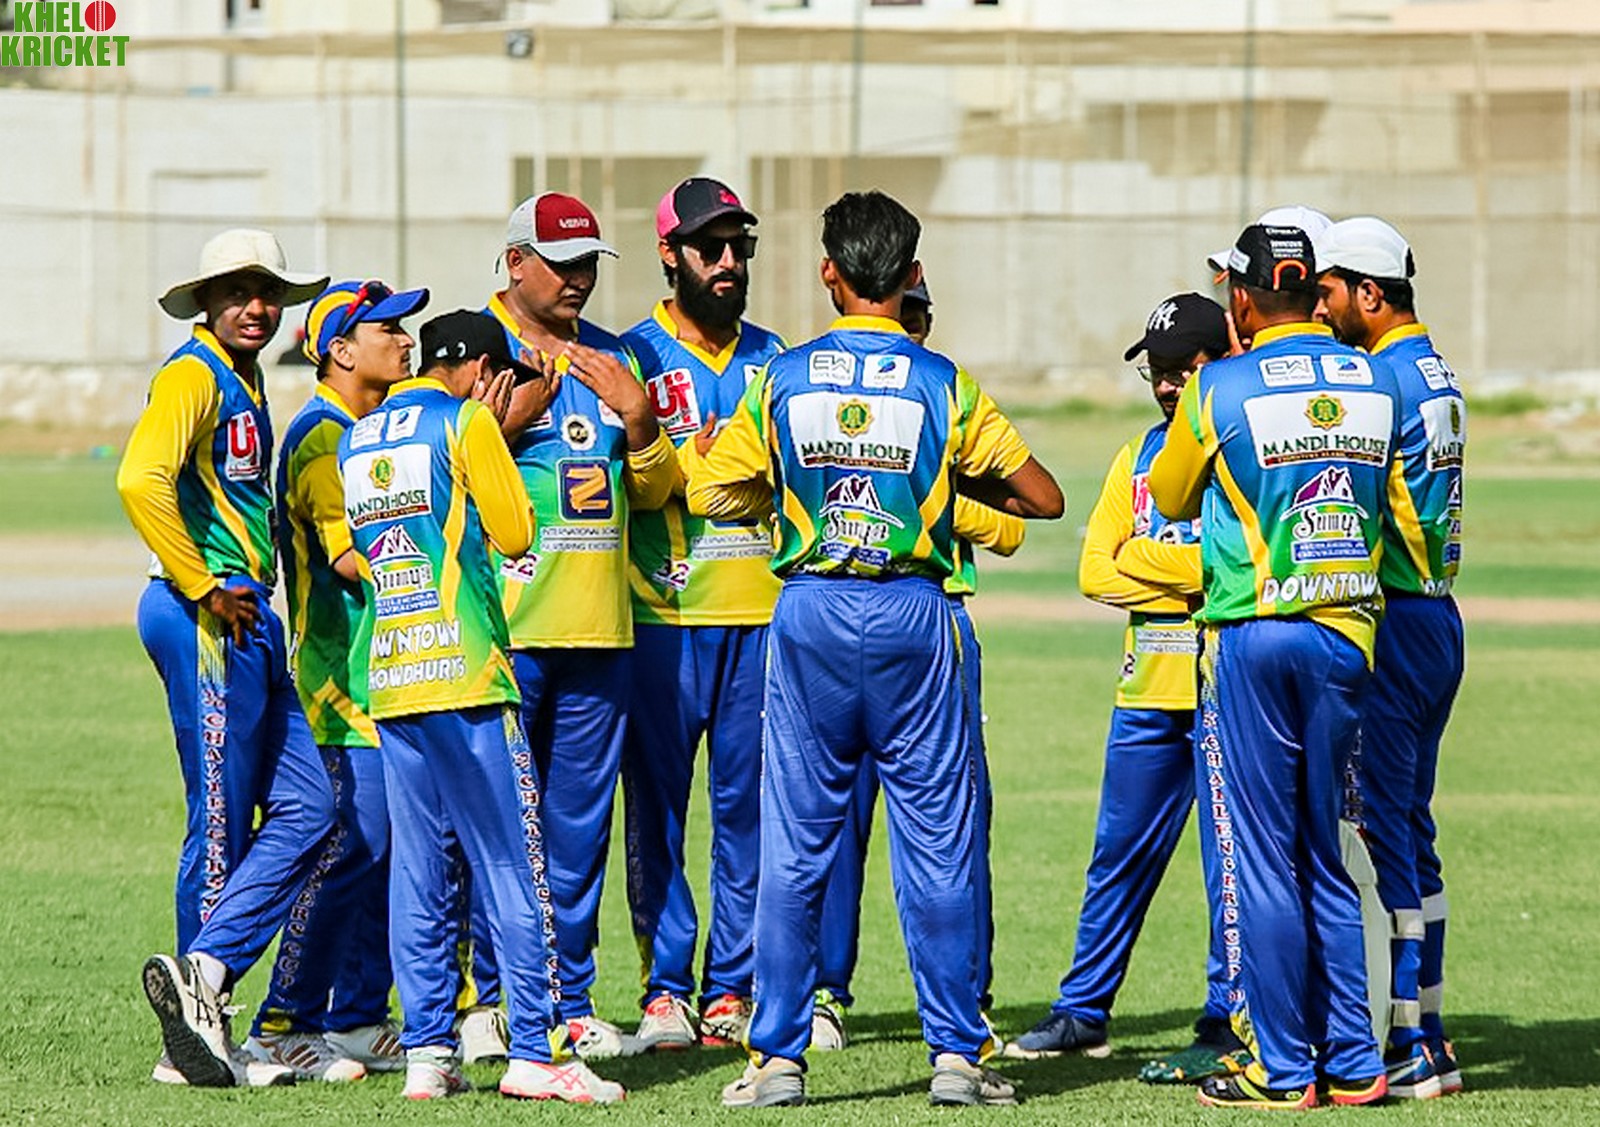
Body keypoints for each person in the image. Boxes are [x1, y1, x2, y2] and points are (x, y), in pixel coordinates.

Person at [687, 190, 1064, 1108]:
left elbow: (710, 492)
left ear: (829, 272)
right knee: (938, 841)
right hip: (916, 614)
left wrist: (785, 499)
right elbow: (1043, 498)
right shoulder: (944, 381)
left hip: (811, 611)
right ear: (913, 273)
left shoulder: (781, 377)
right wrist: (938, 499)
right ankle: (957, 1058)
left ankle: (776, 1060)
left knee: (795, 843)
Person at [337, 308, 624, 1103]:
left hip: (394, 673)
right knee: (512, 862)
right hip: (467, 673)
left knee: (421, 871)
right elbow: (516, 529)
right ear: (483, 372)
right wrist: (491, 435)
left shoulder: (359, 436)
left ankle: (429, 1050)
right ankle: (533, 1047)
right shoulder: (466, 422)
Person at [1149, 224, 1403, 1110]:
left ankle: (1284, 1068)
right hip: (1346, 634)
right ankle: (1356, 1061)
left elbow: (1171, 492)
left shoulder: (1219, 383)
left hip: (1254, 632)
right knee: (1323, 850)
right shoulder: (1371, 376)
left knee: (1262, 860)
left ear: (1243, 300)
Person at [1007, 293, 1247, 1083]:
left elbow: (1240, 567)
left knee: (1229, 868)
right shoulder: (1137, 456)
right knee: (1116, 856)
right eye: (1158, 371)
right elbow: (1094, 571)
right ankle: (1084, 1010)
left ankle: (1226, 1017)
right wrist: (1190, 576)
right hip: (1146, 690)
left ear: (1221, 362)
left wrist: (1148, 559)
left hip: (1224, 686)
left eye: (1183, 369)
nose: (1168, 386)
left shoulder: (1243, 445)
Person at [464, 192, 678, 1061]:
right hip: (505, 631)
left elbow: (655, 494)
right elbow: (435, 477)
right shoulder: (470, 347)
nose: (578, 279)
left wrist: (641, 418)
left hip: (600, 630)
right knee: (499, 832)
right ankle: (490, 1003)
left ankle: (570, 999)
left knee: (580, 833)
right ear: (515, 262)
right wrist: (497, 429)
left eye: (588, 263)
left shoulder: (614, 355)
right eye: (561, 263)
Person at [119, 228, 335, 1088]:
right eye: (239, 291)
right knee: (220, 819)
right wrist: (203, 582)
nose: (257, 306)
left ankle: (202, 983)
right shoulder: (194, 374)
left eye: (268, 291)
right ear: (206, 300)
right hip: (206, 611)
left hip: (245, 615)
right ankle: (197, 1037)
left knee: (311, 806)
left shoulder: (244, 377)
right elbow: (140, 478)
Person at [812, 274, 1023, 1053]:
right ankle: (824, 992)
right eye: (903, 312)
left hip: (936, 624)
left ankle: (968, 997)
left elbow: (1015, 524)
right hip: (846, 622)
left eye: (921, 315)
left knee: (955, 826)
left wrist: (929, 502)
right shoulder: (831, 402)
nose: (910, 327)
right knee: (833, 822)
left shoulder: (942, 403)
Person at [244, 279, 429, 1083]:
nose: (406, 339)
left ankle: (356, 1014)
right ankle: (281, 1022)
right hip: (338, 680)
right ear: (341, 351)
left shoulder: (369, 428)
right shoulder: (325, 438)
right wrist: (439, 560)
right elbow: (349, 557)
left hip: (382, 672)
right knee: (352, 847)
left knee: (387, 853)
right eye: (388, 329)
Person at [618, 177, 784, 1050]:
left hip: (763, 615)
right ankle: (665, 987)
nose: (728, 262)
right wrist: (693, 463)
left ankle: (731, 986)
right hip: (661, 615)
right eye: (709, 247)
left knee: (750, 811)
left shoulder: (775, 358)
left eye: (739, 247)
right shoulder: (632, 356)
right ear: (669, 254)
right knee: (657, 812)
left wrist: (705, 466)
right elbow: (623, 481)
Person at [1313, 217, 1466, 1098]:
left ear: (1369, 293)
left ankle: (1403, 1039)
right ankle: (1431, 1032)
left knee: (1381, 830)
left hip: (1398, 617)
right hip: (1439, 614)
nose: (1321, 307)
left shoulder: (1383, 378)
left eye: (1329, 291)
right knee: (1413, 825)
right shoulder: (1434, 367)